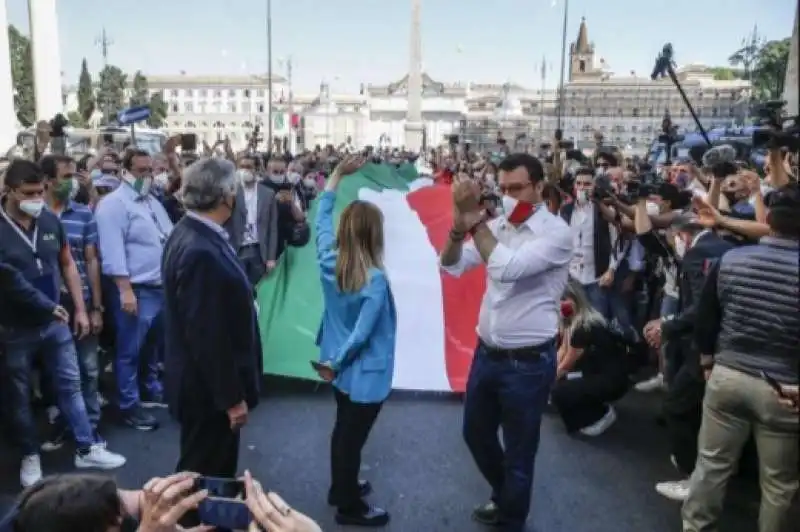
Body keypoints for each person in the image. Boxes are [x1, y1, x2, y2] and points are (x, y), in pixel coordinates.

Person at [439, 153, 573, 532]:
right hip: (488, 354)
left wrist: (476, 222)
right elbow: (450, 265)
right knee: (475, 433)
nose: (510, 195)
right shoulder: (499, 227)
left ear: (538, 187)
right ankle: (506, 495)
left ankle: (512, 516)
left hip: (528, 363)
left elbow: (508, 269)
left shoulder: (555, 234)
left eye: (517, 187)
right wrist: (456, 228)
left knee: (519, 450)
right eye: (504, 188)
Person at [0, 159, 126, 487]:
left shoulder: (49, 221)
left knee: (72, 384)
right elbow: (9, 281)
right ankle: (30, 454)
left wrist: (82, 309)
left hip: (57, 321)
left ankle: (86, 446)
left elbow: (68, 264)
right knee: (20, 394)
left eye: (41, 191)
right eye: (29, 193)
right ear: (9, 191)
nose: (37, 198)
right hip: (14, 327)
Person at [682, 184, 800, 531]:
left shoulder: (731, 259)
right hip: (784, 388)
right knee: (779, 484)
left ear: (770, 222)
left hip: (727, 374)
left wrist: (706, 363)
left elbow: (706, 318)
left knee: (711, 466)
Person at [161, 159, 261, 504]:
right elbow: (207, 336)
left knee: (203, 472)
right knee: (204, 476)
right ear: (226, 197)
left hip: (200, 386)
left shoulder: (191, 232)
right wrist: (232, 399)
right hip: (207, 393)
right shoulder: (200, 248)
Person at [313, 155, 395, 528]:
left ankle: (341, 487)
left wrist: (334, 177)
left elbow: (320, 222)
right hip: (359, 369)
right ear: (373, 234)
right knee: (351, 438)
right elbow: (363, 333)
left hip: (338, 366)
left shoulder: (328, 260)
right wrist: (337, 363)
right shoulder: (374, 278)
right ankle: (349, 506)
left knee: (343, 431)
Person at [550, 280, 630, 436]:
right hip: (596, 370)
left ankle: (600, 415)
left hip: (612, 379)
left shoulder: (584, 326)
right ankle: (591, 404)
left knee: (559, 391)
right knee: (558, 382)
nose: (562, 304)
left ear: (576, 300)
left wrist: (546, 383)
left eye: (565, 300)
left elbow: (566, 364)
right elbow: (563, 351)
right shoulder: (571, 321)